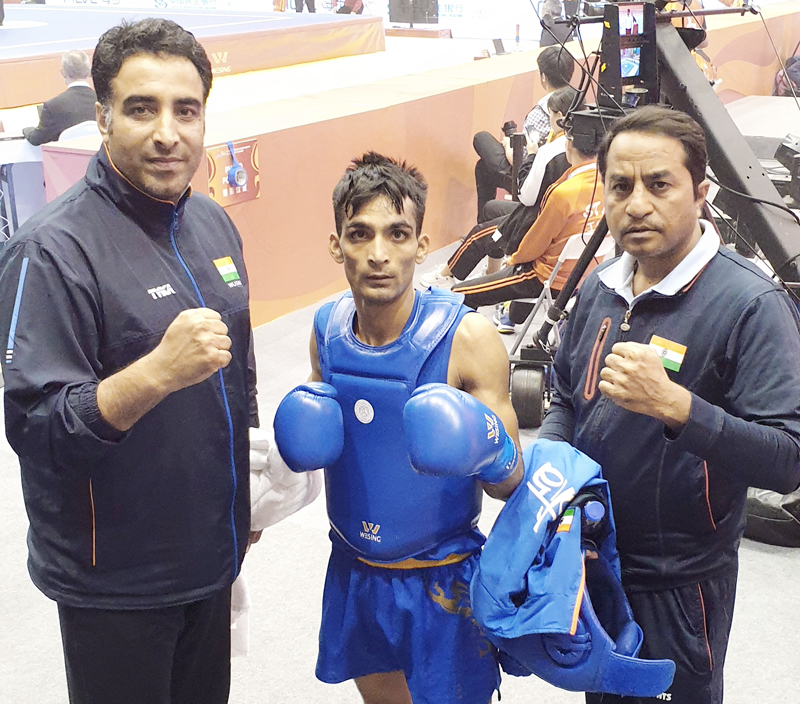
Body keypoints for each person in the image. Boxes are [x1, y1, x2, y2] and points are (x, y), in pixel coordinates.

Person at [0, 18, 257, 704]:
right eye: (142, 108)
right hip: (115, 587)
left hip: (211, 561)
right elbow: (39, 430)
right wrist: (154, 373)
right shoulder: (52, 252)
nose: (167, 132)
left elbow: (237, 379)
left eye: (186, 109)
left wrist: (243, 506)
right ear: (103, 117)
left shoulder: (212, 224)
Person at [538, 105, 800, 704]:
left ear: (700, 193)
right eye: (621, 186)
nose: (636, 204)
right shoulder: (600, 285)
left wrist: (680, 408)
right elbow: (563, 390)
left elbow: (788, 459)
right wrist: (551, 464)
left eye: (659, 185)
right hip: (593, 561)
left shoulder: (751, 304)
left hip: (680, 587)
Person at [273, 152, 524, 704]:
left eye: (397, 234)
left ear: (421, 243)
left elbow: (511, 483)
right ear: (337, 245)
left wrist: (480, 445)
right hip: (356, 568)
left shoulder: (469, 339)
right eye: (360, 234)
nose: (379, 254)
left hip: (443, 579)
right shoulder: (327, 330)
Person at [419, 85, 578, 293]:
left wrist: (531, 154)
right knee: (490, 206)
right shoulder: (580, 147)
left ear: (559, 117)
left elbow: (526, 195)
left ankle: (445, 276)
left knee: (480, 233)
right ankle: (491, 270)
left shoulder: (549, 152)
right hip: (551, 212)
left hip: (537, 218)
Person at [450, 125, 603, 318]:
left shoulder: (564, 193)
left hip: (547, 278)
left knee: (457, 295)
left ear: (569, 144)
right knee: (493, 213)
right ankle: (511, 315)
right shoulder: (609, 183)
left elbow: (535, 242)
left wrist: (513, 259)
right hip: (585, 276)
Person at [472, 45, 575, 223]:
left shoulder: (543, 111)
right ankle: (486, 228)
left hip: (531, 179)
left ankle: (484, 228)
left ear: (543, 77)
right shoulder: (577, 102)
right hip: (558, 175)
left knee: (481, 139)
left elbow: (522, 159)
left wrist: (507, 145)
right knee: (483, 168)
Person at [22, 50, 98, 146]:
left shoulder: (53, 106)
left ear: (63, 72)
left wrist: (26, 130)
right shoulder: (103, 101)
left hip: (68, 160)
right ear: (88, 71)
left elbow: (37, 139)